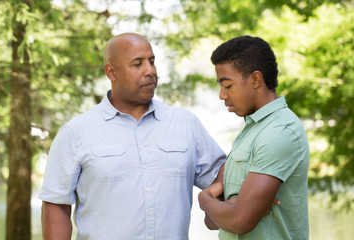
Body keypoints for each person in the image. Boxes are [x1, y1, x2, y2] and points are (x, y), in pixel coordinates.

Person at [39, 33, 226, 240]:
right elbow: (56, 206)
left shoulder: (185, 124)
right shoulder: (76, 132)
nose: (150, 71)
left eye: (152, 62)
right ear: (111, 73)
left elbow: (223, 172)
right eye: (137, 64)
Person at [198, 35, 310, 240]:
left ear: (256, 79)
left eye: (228, 85)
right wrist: (228, 207)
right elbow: (212, 221)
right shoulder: (250, 132)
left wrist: (204, 199)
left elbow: (240, 220)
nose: (222, 95)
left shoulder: (280, 131)